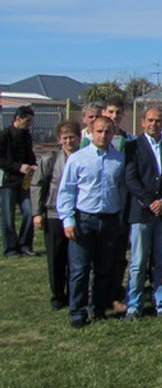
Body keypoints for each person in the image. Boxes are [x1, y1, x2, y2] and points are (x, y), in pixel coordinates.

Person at [56, 115, 126, 328]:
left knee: (104, 269)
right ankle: (77, 312)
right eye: (99, 131)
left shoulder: (119, 159)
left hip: (110, 220)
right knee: (80, 269)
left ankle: (97, 309)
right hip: (84, 219)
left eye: (107, 131)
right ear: (91, 132)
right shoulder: (78, 158)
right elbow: (67, 190)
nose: (103, 135)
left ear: (113, 133)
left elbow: (121, 190)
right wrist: (68, 220)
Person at [123, 106, 162, 321]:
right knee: (138, 262)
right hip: (141, 213)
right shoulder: (132, 147)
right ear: (142, 122)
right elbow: (131, 178)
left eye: (158, 121)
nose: (153, 124)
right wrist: (151, 202)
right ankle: (134, 304)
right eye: (149, 120)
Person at [30, 120, 80, 309]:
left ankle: (74, 293)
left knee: (75, 258)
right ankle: (58, 296)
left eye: (72, 137)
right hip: (54, 214)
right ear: (59, 139)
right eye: (65, 138)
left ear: (79, 138)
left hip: (77, 214)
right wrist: (37, 212)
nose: (68, 141)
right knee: (56, 257)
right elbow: (37, 185)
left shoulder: (83, 157)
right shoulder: (50, 159)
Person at [0, 105, 37, 257]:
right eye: (27, 121)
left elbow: (30, 155)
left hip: (24, 181)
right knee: (8, 215)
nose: (29, 124)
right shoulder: (4, 136)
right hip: (8, 181)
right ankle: (11, 248)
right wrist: (18, 167)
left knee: (29, 211)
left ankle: (25, 245)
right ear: (17, 119)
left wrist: (33, 165)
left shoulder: (26, 135)